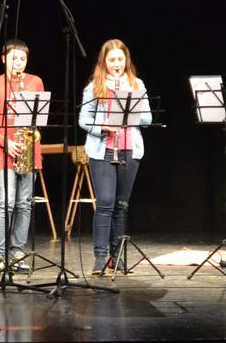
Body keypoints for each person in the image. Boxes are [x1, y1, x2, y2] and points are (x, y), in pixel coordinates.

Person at [78, 39, 151, 275]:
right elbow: (83, 119)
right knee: (105, 203)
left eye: (120, 59)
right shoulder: (94, 86)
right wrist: (104, 126)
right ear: (104, 62)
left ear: (126, 60)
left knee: (121, 205)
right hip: (103, 150)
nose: (117, 64)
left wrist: (128, 113)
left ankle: (117, 256)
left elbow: (148, 118)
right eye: (112, 60)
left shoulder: (137, 84)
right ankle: (101, 256)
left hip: (130, 149)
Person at [0, 39, 44, 275]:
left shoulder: (35, 82)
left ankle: (17, 252)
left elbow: (40, 118)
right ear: (3, 59)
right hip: (6, 151)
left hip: (29, 152)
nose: (18, 63)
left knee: (24, 204)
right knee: (5, 203)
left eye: (23, 59)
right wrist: (6, 142)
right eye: (14, 58)